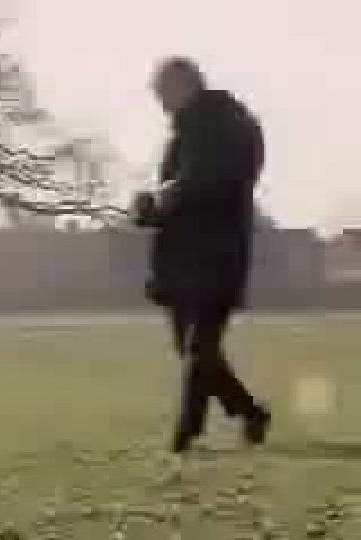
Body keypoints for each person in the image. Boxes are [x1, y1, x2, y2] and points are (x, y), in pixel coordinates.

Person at [131, 57, 271, 453]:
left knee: (200, 347)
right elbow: (176, 195)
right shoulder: (181, 135)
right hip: (181, 256)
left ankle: (187, 433)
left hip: (219, 253)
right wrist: (149, 209)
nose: (161, 104)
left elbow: (216, 179)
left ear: (185, 86)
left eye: (163, 94)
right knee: (191, 348)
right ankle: (250, 412)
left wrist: (170, 195)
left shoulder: (232, 124)